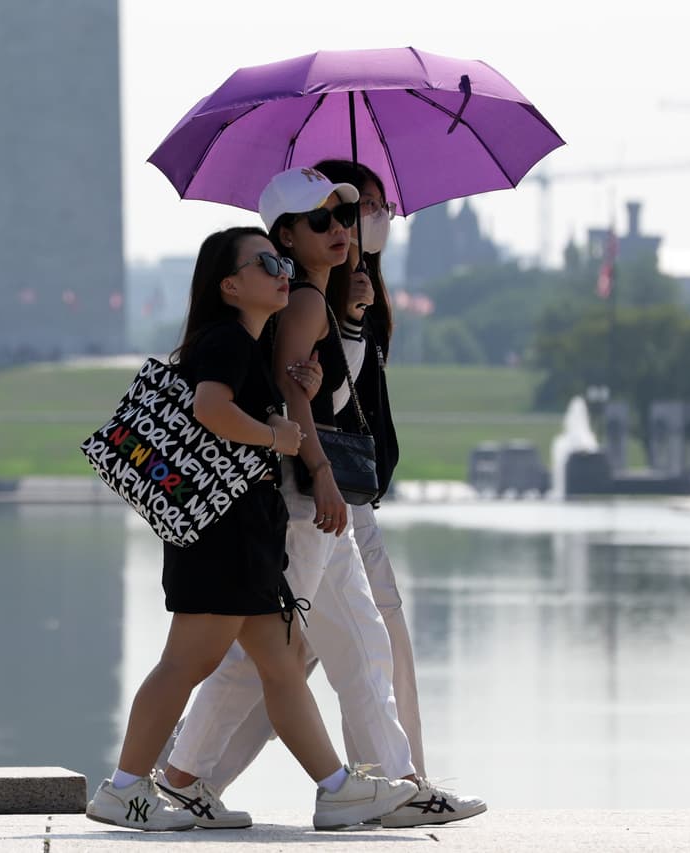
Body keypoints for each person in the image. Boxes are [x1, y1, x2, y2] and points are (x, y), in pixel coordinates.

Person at [158, 167, 486, 828]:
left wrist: (356, 316)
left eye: (346, 216)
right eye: (323, 221)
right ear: (285, 235)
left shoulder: (318, 300)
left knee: (359, 646)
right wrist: (323, 471)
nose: (342, 228)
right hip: (309, 503)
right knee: (268, 656)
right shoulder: (304, 302)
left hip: (316, 506)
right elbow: (294, 402)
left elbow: (317, 389)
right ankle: (180, 775)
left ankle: (389, 782)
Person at [84, 226, 417, 832]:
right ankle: (125, 788)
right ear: (231, 285)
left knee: (279, 670)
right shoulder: (227, 341)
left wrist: (301, 396)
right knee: (184, 665)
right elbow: (211, 410)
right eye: (266, 261)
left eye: (282, 260)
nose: (281, 269)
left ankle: (337, 788)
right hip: (222, 535)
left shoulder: (246, 343)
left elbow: (237, 407)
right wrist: (278, 436)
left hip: (241, 534)